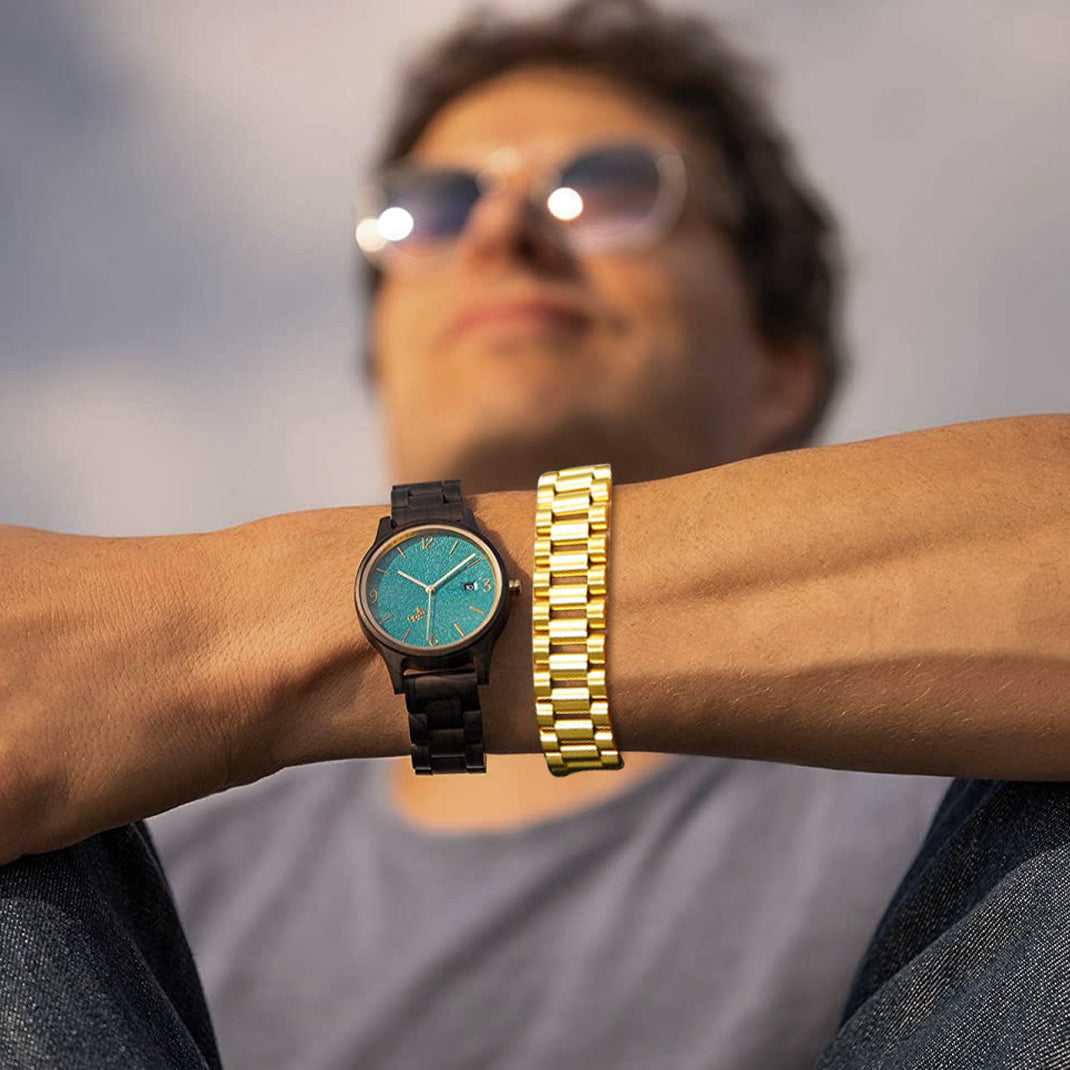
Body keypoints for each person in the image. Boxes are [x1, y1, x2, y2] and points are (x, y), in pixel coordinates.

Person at [3, 1, 1070, 1068]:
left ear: (778, 365)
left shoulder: (929, 787)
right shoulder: (193, 863)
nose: (503, 231)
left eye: (606, 186)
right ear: (382, 354)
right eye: (432, 206)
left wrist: (210, 631)